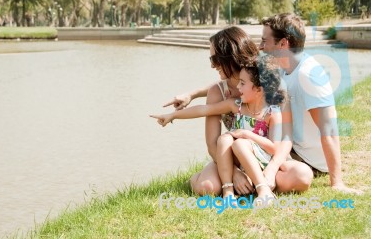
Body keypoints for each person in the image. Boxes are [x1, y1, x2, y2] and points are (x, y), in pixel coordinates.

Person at [152, 56, 286, 203]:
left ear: (259, 90)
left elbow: (274, 148)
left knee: (240, 143)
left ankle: (263, 191)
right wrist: (173, 115)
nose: (238, 88)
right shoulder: (236, 105)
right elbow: (204, 110)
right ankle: (227, 191)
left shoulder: (272, 112)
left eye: (242, 83)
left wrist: (246, 134)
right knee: (224, 139)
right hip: (234, 161)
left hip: (258, 160)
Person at [259, 13, 362, 194]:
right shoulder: (284, 69)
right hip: (289, 147)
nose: (260, 47)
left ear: (283, 44)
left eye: (264, 41)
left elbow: (329, 129)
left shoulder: (309, 75)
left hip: (306, 159)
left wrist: (336, 182)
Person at [163, 26, 259, 196]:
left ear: (231, 56)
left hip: (259, 154)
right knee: (207, 187)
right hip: (229, 156)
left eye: (215, 60)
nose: (212, 66)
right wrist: (234, 173)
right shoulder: (218, 92)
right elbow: (212, 144)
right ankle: (195, 179)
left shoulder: (262, 82)